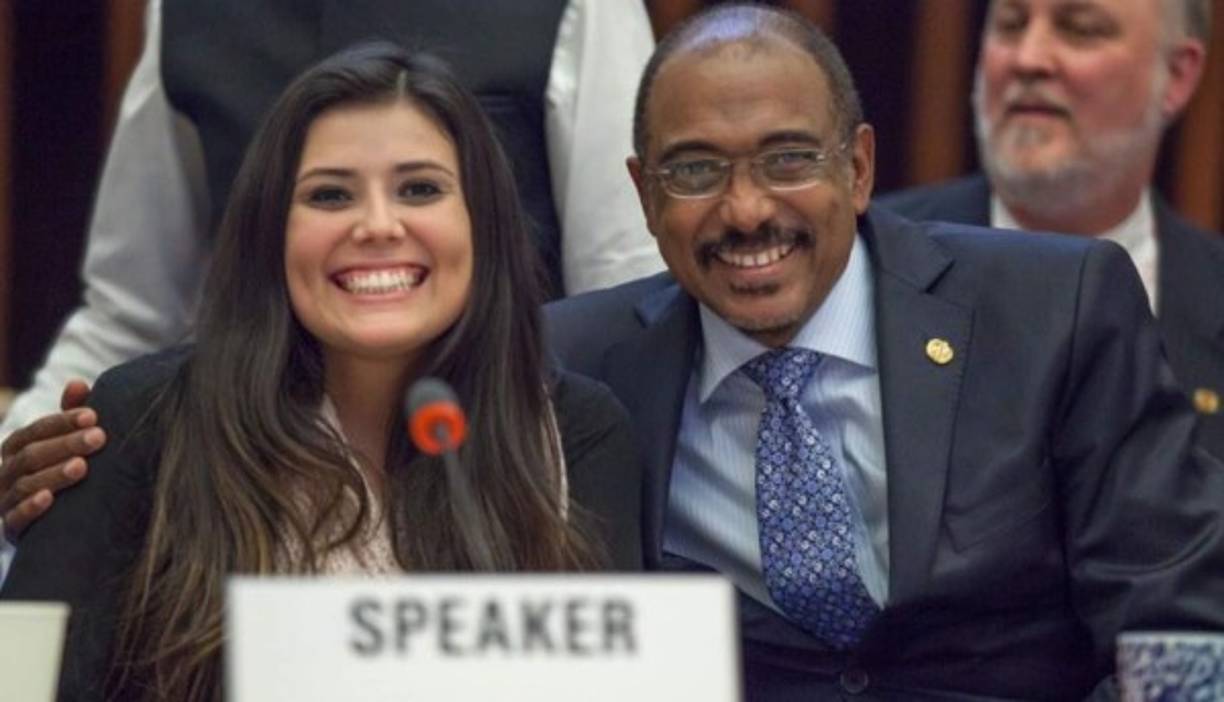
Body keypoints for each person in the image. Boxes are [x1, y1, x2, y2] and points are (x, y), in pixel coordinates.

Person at [545, 4, 1224, 699]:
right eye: (694, 170)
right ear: (645, 196)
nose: (746, 210)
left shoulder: (1056, 309)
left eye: (788, 159)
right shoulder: (575, 364)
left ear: (859, 168)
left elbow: (1181, 628)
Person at [0, 43, 642, 702]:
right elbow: (26, 686)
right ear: (271, 232)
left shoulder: (578, 434)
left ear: (483, 223)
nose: (377, 225)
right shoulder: (142, 421)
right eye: (330, 195)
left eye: (420, 189)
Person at [877, 0, 1224, 457]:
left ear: (1177, 75)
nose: (1028, 59)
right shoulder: (868, 260)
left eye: (1079, 30)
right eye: (1011, 25)